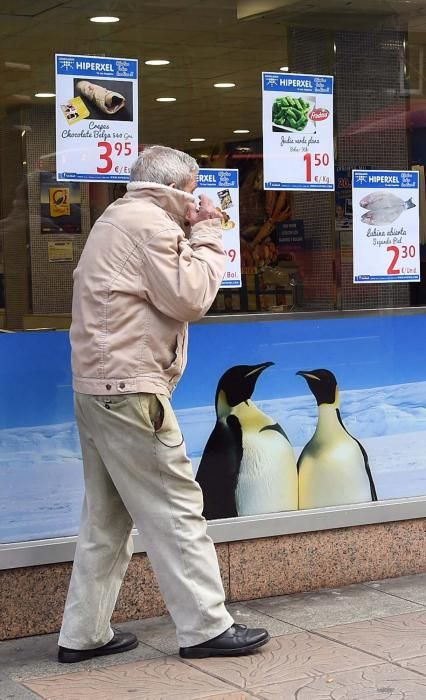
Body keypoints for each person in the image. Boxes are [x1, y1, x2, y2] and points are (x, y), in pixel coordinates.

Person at [58, 145, 270, 663]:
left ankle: (83, 634)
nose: (199, 199)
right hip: (130, 391)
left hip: (100, 389)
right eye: (195, 189)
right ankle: (206, 627)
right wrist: (207, 231)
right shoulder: (150, 224)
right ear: (180, 186)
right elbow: (192, 295)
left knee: (107, 517)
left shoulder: (117, 216)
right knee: (178, 506)